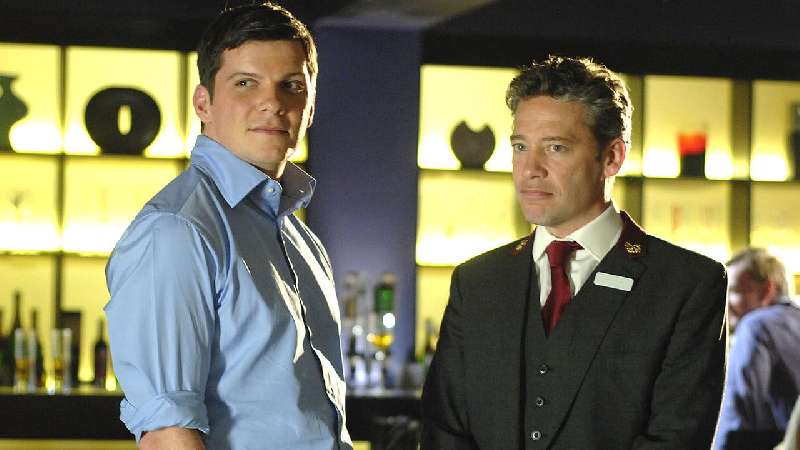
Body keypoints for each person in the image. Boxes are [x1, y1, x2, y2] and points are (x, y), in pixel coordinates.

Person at [421, 56, 728, 449]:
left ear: (612, 157)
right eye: (520, 146)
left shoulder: (686, 284)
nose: (530, 169)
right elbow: (444, 433)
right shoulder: (477, 282)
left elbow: (675, 440)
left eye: (556, 147)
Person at [104, 4, 352, 449]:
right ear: (204, 103)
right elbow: (167, 435)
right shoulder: (177, 230)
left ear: (310, 108)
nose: (273, 103)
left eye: (292, 86)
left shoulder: (302, 240)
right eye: (245, 83)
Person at [714, 248, 800, 450]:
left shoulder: (755, 326)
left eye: (733, 291)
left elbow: (739, 413)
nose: (725, 303)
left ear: (767, 290)